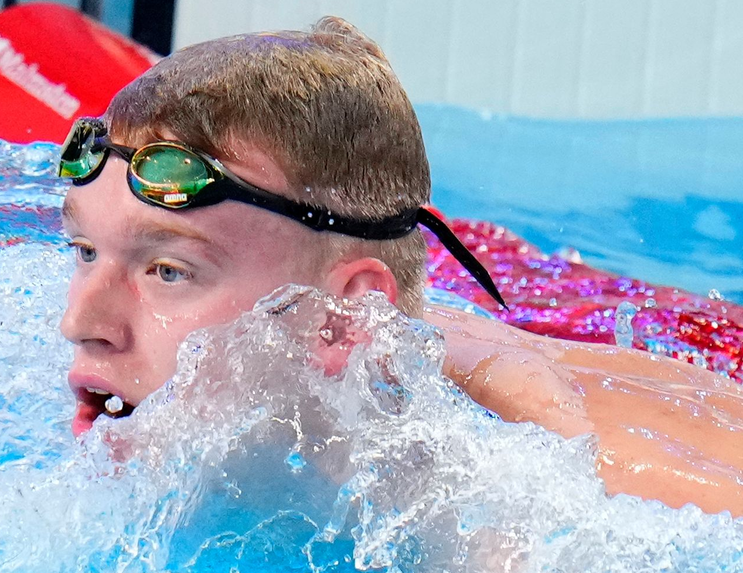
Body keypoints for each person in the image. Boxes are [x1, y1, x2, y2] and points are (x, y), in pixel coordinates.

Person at [56, 17, 743, 516]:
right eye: (86, 251)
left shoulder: (538, 513)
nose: (80, 322)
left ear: (342, 319)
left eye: (168, 271)